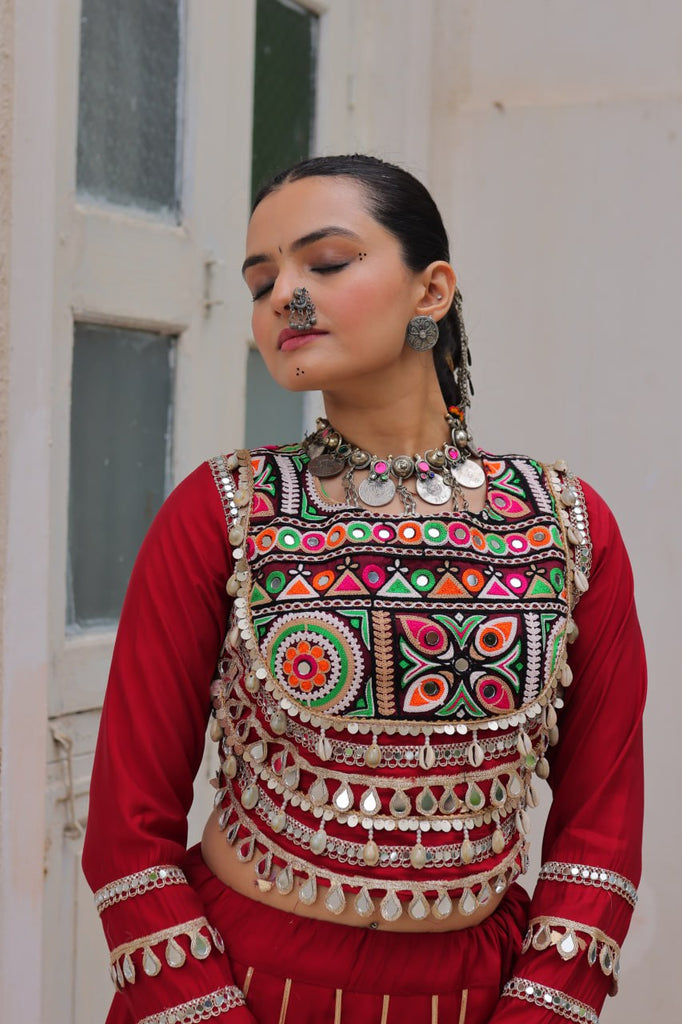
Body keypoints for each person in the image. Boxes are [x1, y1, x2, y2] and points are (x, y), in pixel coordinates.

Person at [82, 154, 646, 1024]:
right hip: (233, 984)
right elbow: (128, 833)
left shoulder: (567, 525)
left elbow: (601, 832)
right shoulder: (225, 511)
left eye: (327, 262)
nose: (284, 296)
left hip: (480, 999)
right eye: (261, 280)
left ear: (432, 291)